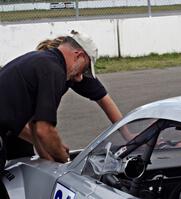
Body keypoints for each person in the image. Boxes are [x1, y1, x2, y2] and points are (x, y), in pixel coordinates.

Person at [4, 32, 129, 162]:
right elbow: (43, 129)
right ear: (76, 55)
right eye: (84, 70)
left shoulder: (57, 66)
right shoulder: (53, 71)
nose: (81, 77)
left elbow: (35, 124)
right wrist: (61, 158)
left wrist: (128, 135)